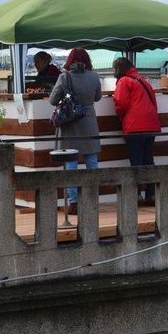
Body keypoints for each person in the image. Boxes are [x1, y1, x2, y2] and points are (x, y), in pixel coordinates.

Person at [49, 47, 101, 214]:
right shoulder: (94, 76)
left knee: (71, 163)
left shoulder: (64, 77)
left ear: (70, 60)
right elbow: (97, 97)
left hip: (70, 123)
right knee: (91, 161)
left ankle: (73, 203)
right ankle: (92, 199)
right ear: (87, 60)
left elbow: (52, 100)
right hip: (89, 121)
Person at [112, 57, 161, 206]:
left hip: (135, 125)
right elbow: (153, 102)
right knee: (148, 159)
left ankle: (137, 195)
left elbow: (120, 103)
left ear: (119, 69)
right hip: (151, 123)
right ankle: (151, 194)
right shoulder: (143, 80)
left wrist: (121, 118)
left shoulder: (124, 81)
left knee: (136, 160)